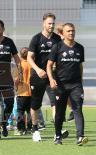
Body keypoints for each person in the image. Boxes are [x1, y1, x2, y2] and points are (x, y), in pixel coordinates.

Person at [47, 23, 88, 146]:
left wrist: (80, 83)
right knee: (60, 112)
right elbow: (49, 65)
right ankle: (58, 136)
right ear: (63, 33)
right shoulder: (57, 47)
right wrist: (51, 79)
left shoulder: (80, 48)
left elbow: (80, 66)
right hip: (61, 85)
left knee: (78, 109)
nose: (71, 33)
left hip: (76, 85)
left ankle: (80, 137)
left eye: (73, 31)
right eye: (68, 31)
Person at [27, 13, 62, 142]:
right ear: (44, 23)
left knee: (56, 103)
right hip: (38, 76)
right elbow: (29, 57)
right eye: (49, 23)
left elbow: (61, 56)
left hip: (52, 77)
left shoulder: (58, 39)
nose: (51, 25)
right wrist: (38, 70)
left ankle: (57, 131)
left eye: (53, 23)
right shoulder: (36, 39)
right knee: (36, 104)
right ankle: (35, 130)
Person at [14, 47, 32, 135]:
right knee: (30, 111)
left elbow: (16, 79)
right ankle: (29, 128)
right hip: (31, 92)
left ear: (20, 55)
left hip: (22, 92)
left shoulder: (19, 65)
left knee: (20, 111)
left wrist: (16, 87)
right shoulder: (32, 64)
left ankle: (21, 129)